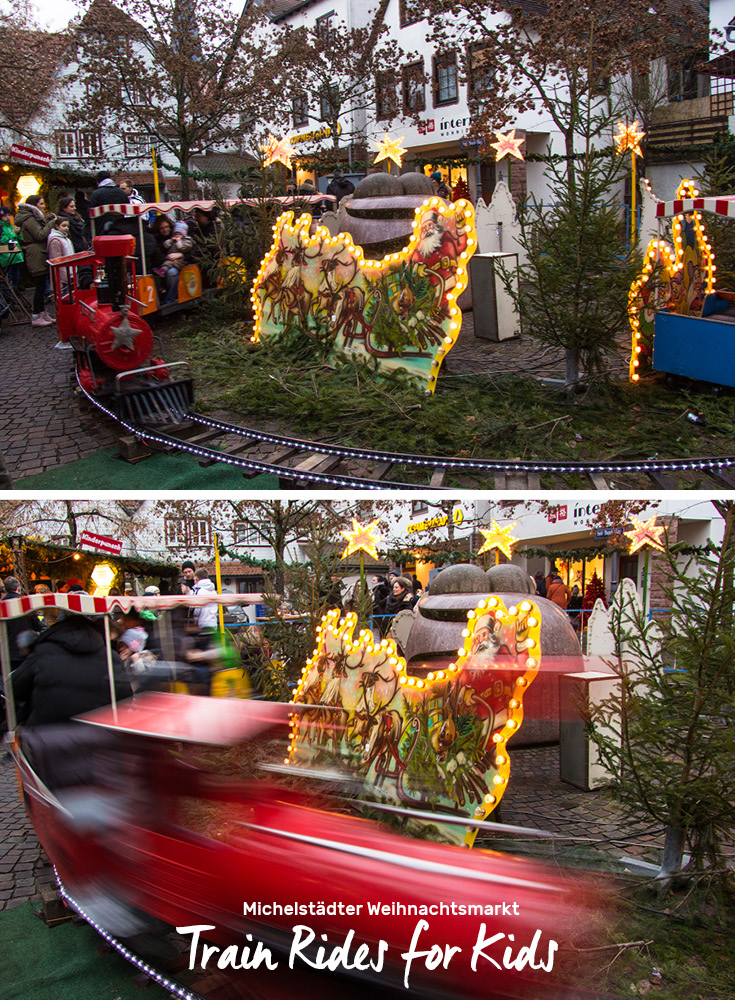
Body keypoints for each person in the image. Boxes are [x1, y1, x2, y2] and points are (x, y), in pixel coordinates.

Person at [11, 611, 132, 726]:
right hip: (98, 732)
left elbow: (15, 688)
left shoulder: (41, 652)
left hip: (45, 733)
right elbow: (124, 697)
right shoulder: (109, 656)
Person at [15, 195, 57, 326]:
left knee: (41, 284)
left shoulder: (32, 218)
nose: (43, 206)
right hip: (36, 254)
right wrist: (51, 223)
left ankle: (42, 313)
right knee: (39, 286)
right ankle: (36, 315)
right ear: (34, 205)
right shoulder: (30, 219)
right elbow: (39, 235)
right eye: (41, 204)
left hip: (38, 252)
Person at [1, 576, 44, 668]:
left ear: (5, 589)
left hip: (7, 652)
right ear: (19, 588)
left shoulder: (2, 605)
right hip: (25, 650)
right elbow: (38, 626)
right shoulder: (26, 604)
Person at [85, 170, 130, 239]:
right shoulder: (121, 193)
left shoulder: (96, 194)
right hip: (120, 230)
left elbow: (91, 215)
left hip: (102, 232)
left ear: (98, 181)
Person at [0, 206, 22, 302]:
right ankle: (9, 301)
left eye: (9, 215)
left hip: (16, 257)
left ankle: (14, 300)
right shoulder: (1, 227)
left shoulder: (11, 226)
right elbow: (3, 240)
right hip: (6, 258)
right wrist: (13, 233)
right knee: (8, 281)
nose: (8, 218)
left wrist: (19, 233)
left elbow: (19, 239)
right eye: (5, 216)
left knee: (15, 279)